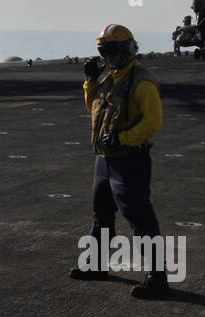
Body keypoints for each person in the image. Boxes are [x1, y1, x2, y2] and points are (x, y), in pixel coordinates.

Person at [70, 24, 168, 299]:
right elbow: (94, 108)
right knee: (101, 214)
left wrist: (124, 139)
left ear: (128, 49)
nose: (109, 57)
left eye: (113, 51)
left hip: (130, 160)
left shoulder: (142, 81)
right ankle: (97, 266)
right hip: (104, 159)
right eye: (104, 52)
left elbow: (153, 122)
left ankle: (158, 278)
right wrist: (90, 81)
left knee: (139, 217)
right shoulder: (109, 79)